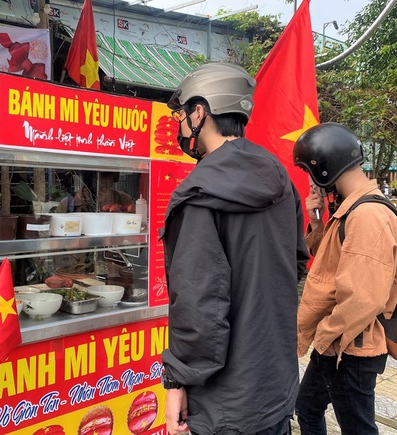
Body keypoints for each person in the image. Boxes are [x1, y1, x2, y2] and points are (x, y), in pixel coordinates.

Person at [160, 63, 309, 434]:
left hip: (226, 403)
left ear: (200, 112)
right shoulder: (281, 179)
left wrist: (177, 382)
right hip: (276, 384)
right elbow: (297, 265)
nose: (179, 125)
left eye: (181, 114)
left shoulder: (200, 193)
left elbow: (199, 305)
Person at [292, 123, 397, 434]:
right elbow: (330, 262)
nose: (311, 181)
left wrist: (325, 336)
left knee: (358, 429)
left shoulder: (368, 216)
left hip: (350, 349)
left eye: (309, 171)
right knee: (307, 409)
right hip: (338, 343)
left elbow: (363, 297)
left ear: (324, 166)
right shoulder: (352, 208)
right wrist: (316, 220)